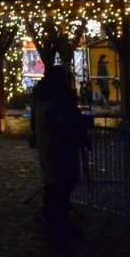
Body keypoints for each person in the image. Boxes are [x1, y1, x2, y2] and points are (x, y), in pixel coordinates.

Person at [32, 65, 87, 239]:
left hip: (46, 144)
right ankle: (60, 222)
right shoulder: (61, 95)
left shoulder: (39, 94)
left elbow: (35, 120)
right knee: (63, 184)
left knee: (52, 183)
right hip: (62, 145)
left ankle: (51, 219)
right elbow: (69, 119)